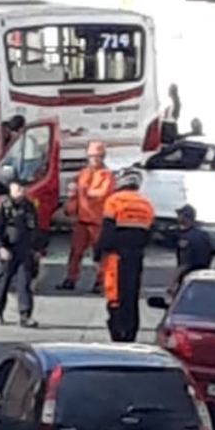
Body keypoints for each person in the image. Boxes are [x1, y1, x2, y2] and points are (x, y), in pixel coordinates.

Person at [96, 170, 155, 342]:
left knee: (115, 294)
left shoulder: (114, 200)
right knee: (131, 294)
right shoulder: (146, 203)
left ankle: (117, 330)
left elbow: (107, 231)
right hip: (136, 256)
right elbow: (149, 233)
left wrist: (99, 253)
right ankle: (130, 332)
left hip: (116, 255)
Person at [59, 140, 115, 292]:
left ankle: (100, 282)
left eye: (97, 156)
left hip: (98, 222)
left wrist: (85, 191)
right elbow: (76, 195)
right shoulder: (83, 173)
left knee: (100, 254)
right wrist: (70, 207)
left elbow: (103, 193)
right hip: (82, 221)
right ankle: (71, 279)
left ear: (103, 157)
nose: (94, 159)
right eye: (92, 156)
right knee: (75, 253)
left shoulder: (107, 175)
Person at [0, 178, 39, 328]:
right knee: (2, 283)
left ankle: (25, 315)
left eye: (23, 188)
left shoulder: (29, 206)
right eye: (18, 188)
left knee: (24, 284)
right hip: (7, 250)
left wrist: (37, 249)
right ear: (11, 188)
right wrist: (0, 247)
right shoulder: (3, 206)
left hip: (24, 250)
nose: (21, 191)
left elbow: (34, 228)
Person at [168, 204, 213, 295]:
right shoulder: (204, 235)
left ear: (185, 218)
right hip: (204, 277)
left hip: (189, 280)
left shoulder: (186, 238)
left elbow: (184, 264)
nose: (178, 218)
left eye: (180, 215)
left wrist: (172, 283)